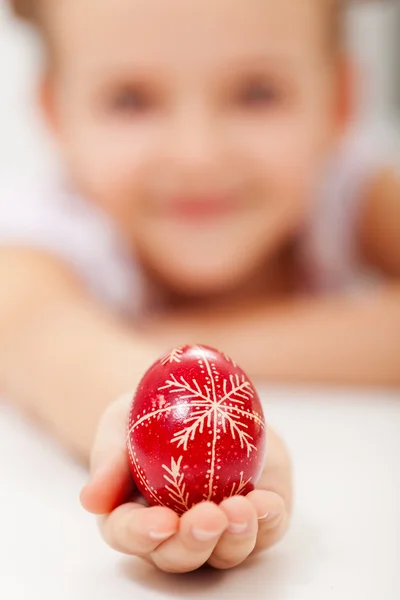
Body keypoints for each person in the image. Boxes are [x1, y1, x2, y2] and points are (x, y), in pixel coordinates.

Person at [1, 0, 399, 573]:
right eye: (130, 99)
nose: (198, 154)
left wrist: (197, 346)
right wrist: (133, 411)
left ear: (338, 102)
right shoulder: (49, 230)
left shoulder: (348, 191)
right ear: (56, 115)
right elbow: (36, 336)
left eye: (257, 92)